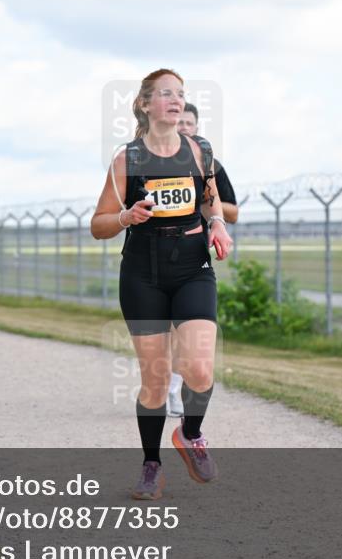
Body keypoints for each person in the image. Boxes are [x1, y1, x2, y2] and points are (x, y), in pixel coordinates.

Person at [91, 69, 233, 500]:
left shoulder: (199, 151)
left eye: (181, 94)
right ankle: (151, 466)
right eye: (166, 94)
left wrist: (219, 224)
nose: (175, 100)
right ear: (145, 104)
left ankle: (190, 433)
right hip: (143, 274)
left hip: (192, 266)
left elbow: (209, 200)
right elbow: (98, 225)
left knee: (200, 368)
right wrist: (124, 217)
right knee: (154, 381)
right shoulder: (126, 160)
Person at [165, 102, 241, 417]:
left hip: (196, 253)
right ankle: (167, 387)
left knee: (188, 327)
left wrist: (208, 206)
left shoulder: (211, 165)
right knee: (168, 327)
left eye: (189, 123)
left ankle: (178, 388)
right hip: (161, 250)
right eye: (178, 121)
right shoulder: (156, 162)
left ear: (197, 128)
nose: (183, 127)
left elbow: (233, 211)